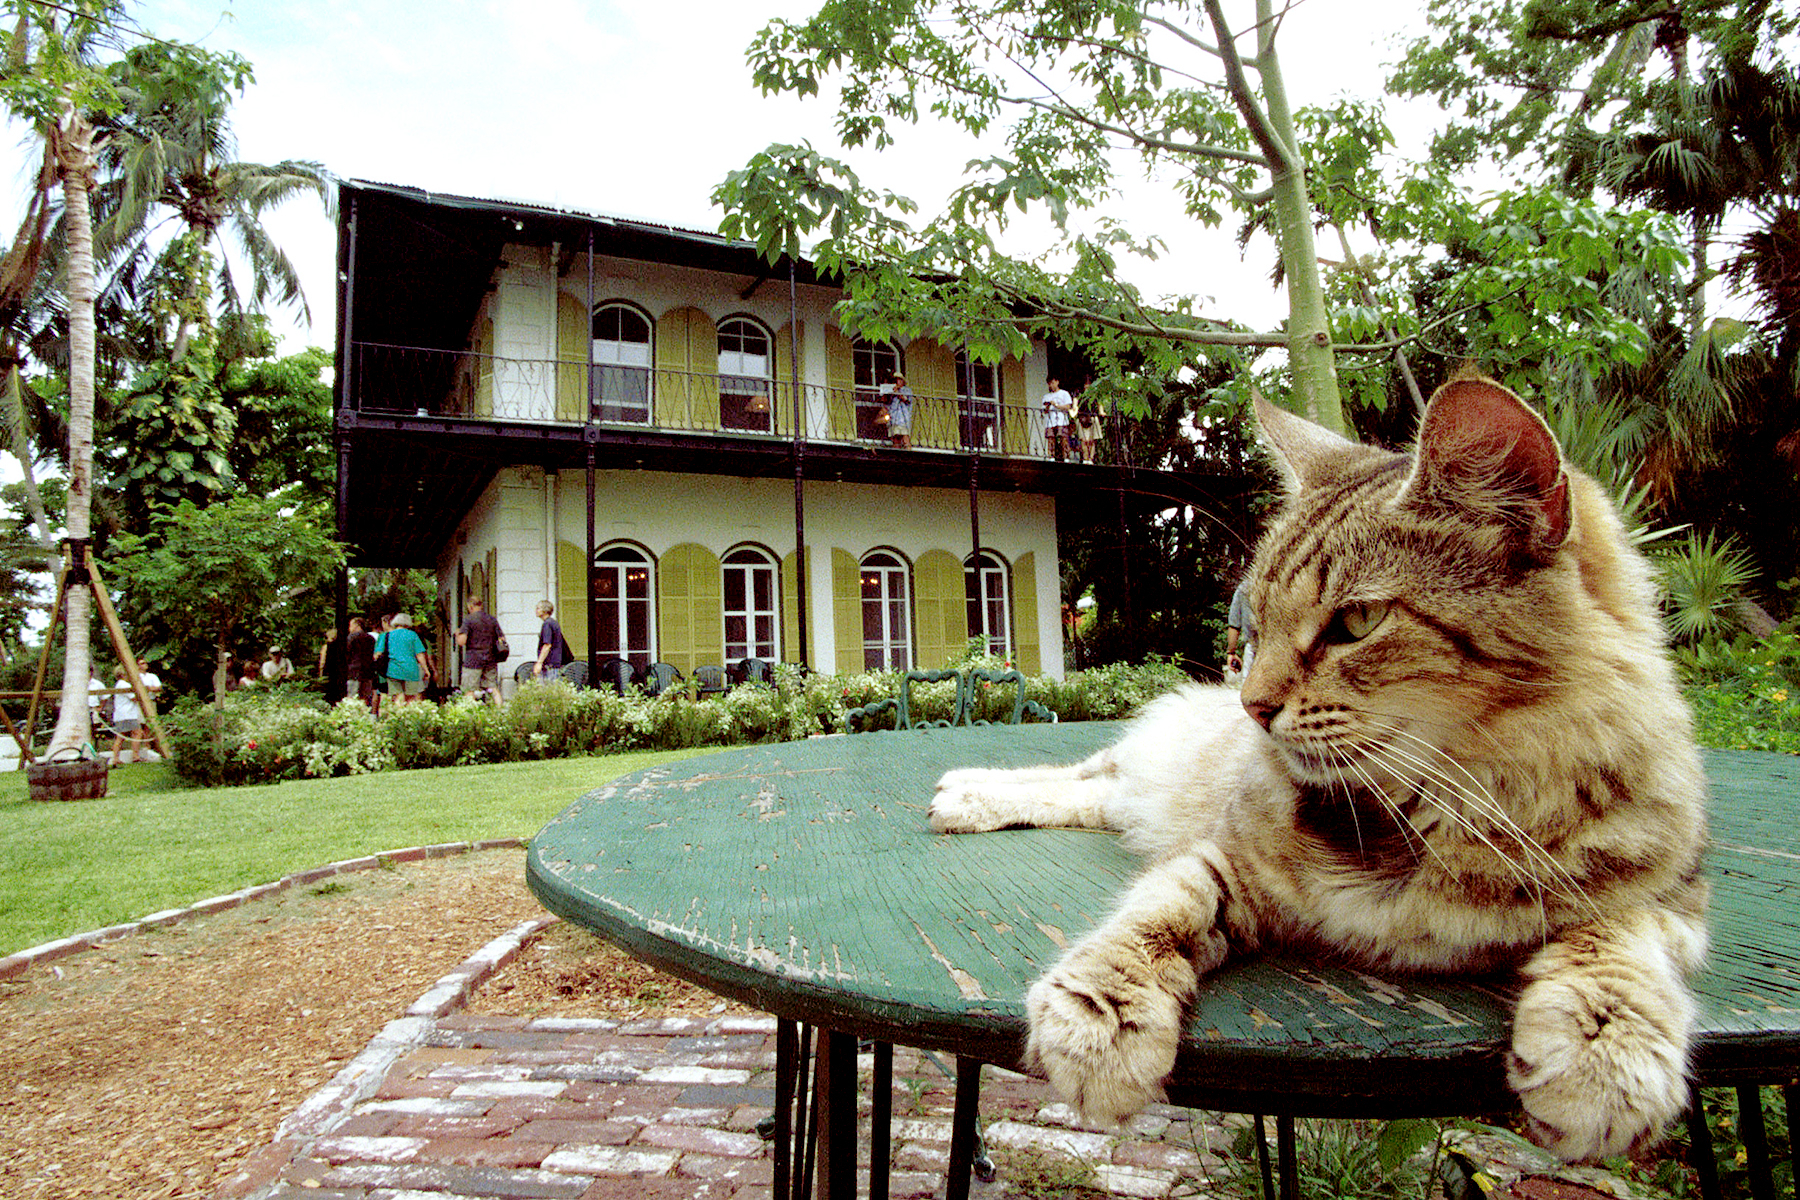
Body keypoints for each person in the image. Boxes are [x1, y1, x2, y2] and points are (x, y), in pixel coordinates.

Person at [110, 658, 160, 767]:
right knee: (137, 733)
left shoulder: (119, 684)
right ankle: (135, 756)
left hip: (122, 714)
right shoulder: (124, 685)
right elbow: (135, 698)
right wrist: (144, 692)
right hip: (127, 714)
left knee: (121, 736)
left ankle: (116, 758)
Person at [456, 595, 504, 704]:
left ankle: (471, 716)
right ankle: (499, 713)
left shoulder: (468, 620)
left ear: (470, 606)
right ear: (481, 605)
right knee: (493, 688)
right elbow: (502, 639)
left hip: (473, 660)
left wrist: (457, 634)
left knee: (469, 690)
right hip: (491, 659)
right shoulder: (492, 619)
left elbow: (462, 641)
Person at [382, 613, 432, 705]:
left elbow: (379, 653)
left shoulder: (387, 635)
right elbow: (419, 654)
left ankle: (397, 716)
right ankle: (409, 715)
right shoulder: (413, 635)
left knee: (396, 697)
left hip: (394, 670)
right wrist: (425, 669)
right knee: (411, 697)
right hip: (411, 670)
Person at [532, 600, 572, 679]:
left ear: (545, 610)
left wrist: (539, 663)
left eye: (538, 608)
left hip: (550, 663)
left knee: (549, 685)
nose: (536, 611)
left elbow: (547, 645)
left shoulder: (547, 624)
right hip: (556, 662)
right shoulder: (553, 622)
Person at [1224, 575, 1254, 680]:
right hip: (1279, 649)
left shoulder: (1245, 587)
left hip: (1253, 648)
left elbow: (1234, 625)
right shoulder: (1281, 583)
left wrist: (1231, 653)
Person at [345, 616, 377, 706]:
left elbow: (347, 653)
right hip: (368, 672)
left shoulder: (351, 638)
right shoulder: (371, 638)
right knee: (365, 697)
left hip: (353, 671)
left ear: (356, 626)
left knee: (352, 696)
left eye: (350, 625)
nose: (349, 628)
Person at [1042, 376, 1074, 461]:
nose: (1051, 385)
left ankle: (1066, 457)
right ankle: (1051, 456)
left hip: (1061, 420)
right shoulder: (1046, 396)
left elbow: (1068, 406)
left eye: (1053, 383)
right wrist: (1048, 405)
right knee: (1051, 438)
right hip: (1050, 421)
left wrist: (1057, 405)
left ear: (1057, 382)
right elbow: (1044, 410)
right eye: (1049, 384)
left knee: (1063, 438)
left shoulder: (1064, 393)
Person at [885, 372, 914, 449]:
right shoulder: (892, 390)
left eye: (898, 379)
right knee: (895, 439)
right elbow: (886, 402)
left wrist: (897, 392)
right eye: (895, 380)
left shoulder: (906, 390)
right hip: (893, 418)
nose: (896, 381)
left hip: (902, 419)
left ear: (902, 381)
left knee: (905, 438)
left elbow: (906, 400)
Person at [1074, 388, 1103, 464]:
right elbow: (1075, 406)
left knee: (1092, 441)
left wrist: (1101, 412)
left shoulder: (1095, 395)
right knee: (1083, 440)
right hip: (1082, 419)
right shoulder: (1079, 395)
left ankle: (1090, 459)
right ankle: (1085, 458)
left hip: (1092, 418)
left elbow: (1100, 405)